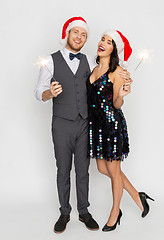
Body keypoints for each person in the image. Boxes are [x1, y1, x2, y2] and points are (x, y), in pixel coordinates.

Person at [35, 17, 131, 233]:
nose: (79, 37)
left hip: (86, 124)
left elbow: (108, 77)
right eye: (75, 32)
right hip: (61, 123)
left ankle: (84, 212)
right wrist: (50, 92)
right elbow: (37, 91)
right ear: (67, 35)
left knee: (84, 170)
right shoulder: (50, 61)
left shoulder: (90, 61)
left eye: (84, 34)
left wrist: (123, 77)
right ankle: (64, 212)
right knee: (63, 169)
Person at [87, 30, 154, 232]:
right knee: (102, 169)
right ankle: (136, 195)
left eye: (109, 42)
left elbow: (116, 104)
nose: (103, 43)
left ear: (114, 49)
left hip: (111, 124)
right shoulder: (93, 67)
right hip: (96, 126)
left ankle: (115, 213)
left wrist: (122, 95)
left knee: (114, 171)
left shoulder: (117, 72)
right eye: (102, 39)